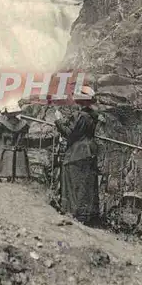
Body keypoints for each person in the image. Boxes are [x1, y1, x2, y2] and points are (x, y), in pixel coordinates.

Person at [54, 87, 101, 226]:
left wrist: (58, 120)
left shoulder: (80, 116)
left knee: (73, 182)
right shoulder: (93, 115)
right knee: (86, 184)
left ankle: (73, 213)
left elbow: (69, 133)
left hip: (77, 152)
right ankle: (88, 215)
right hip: (90, 150)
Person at [0, 106, 30, 181]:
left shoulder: (2, 124)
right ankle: (16, 177)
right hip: (19, 154)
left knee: (0, 146)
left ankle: (2, 176)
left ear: (7, 114)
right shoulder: (24, 124)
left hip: (4, 152)